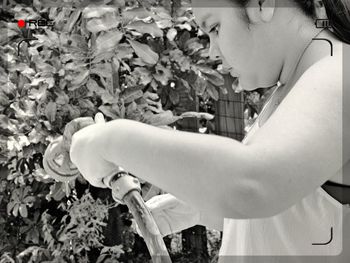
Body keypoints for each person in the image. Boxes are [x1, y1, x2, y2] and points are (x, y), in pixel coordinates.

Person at [69, 0, 350, 262]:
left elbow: (254, 184)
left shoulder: (338, 72)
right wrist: (207, 208)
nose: (213, 51)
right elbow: (297, 204)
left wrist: (110, 140)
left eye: (215, 27)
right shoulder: (295, 86)